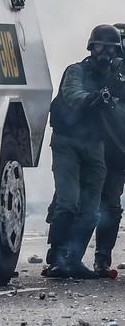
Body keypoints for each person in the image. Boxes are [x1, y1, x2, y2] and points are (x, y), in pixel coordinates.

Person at [43, 25, 123, 279]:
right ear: (91, 48)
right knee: (68, 203)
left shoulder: (115, 78)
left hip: (96, 146)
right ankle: (57, 257)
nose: (105, 54)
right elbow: (72, 94)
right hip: (68, 142)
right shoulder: (76, 71)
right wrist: (93, 98)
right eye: (100, 47)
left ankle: (73, 259)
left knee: (92, 211)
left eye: (111, 49)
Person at [94, 24, 125, 276]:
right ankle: (101, 257)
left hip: (116, 147)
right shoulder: (101, 70)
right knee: (108, 205)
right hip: (111, 148)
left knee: (110, 206)